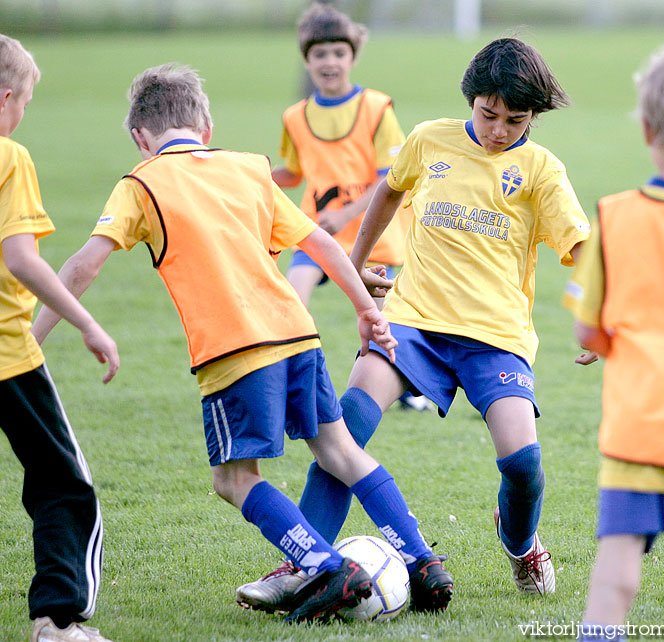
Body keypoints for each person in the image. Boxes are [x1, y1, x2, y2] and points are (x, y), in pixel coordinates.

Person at [32, 63, 453, 623]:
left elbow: (84, 264)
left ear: (140, 138)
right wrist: (365, 311)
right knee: (340, 451)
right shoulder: (249, 169)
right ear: (205, 126)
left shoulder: (140, 183)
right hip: (298, 336)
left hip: (233, 353)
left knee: (233, 480)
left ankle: (326, 568)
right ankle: (422, 559)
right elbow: (324, 244)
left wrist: (33, 339)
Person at [237, 36, 592, 609]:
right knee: (344, 428)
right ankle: (300, 563)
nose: (500, 129)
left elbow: (580, 244)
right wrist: (353, 273)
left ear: (534, 116)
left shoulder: (540, 169)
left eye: (516, 120)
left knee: (523, 464)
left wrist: (602, 315)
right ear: (471, 99)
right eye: (489, 114)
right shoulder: (430, 140)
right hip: (413, 322)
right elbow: (387, 192)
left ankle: (520, 542)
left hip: (495, 337)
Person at [564, 45, 664, 642]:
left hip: (641, 431)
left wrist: (607, 340)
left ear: (645, 127)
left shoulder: (614, 220)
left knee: (616, 573)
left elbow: (586, 329)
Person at [0, 34, 119, 642]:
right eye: (26, 102)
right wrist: (86, 321)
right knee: (62, 484)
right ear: (6, 98)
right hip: (7, 356)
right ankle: (58, 621)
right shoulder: (9, 155)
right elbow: (21, 259)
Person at [276, 2, 431, 412]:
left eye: (338, 53)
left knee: (384, 325)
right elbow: (292, 174)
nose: (330, 62)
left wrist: (345, 215)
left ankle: (407, 388)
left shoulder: (376, 108)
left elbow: (389, 177)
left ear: (353, 56)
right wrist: (243, 174)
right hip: (315, 234)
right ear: (306, 59)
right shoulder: (295, 117)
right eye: (319, 54)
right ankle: (295, 383)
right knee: (292, 302)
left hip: (372, 235)